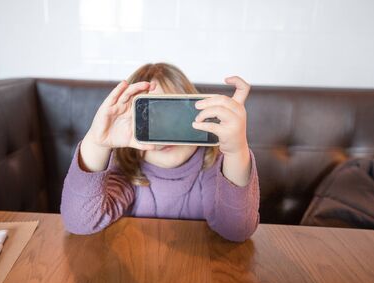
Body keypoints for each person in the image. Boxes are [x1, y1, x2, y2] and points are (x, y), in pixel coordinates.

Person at [61, 63, 260, 242]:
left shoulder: (212, 168)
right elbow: (79, 221)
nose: (165, 133)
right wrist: (96, 142)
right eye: (152, 118)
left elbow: (236, 230)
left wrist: (236, 151)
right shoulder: (125, 172)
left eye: (176, 116)